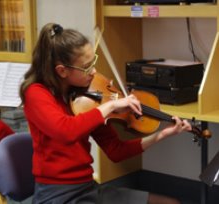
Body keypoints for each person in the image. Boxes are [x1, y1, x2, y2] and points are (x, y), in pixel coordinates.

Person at [19, 23, 192, 204]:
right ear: (62, 71)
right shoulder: (36, 93)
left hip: (88, 188)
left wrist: (161, 135)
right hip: (56, 194)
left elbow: (116, 151)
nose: (94, 72)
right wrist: (110, 107)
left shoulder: (84, 99)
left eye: (93, 62)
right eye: (86, 67)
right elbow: (66, 131)